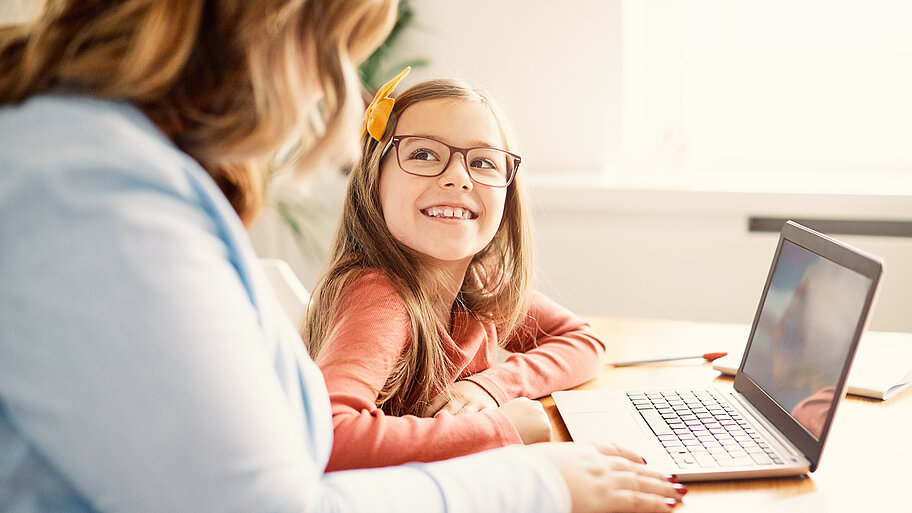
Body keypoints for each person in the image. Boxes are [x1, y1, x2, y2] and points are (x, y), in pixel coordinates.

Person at [0, 1, 685, 512]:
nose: (334, 95)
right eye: (330, 46)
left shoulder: (114, 173)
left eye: (483, 163)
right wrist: (536, 477)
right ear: (254, 28)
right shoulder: (91, 191)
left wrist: (488, 390)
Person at [304, 73, 609, 471]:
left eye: (482, 162)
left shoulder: (476, 283)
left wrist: (492, 385)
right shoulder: (379, 295)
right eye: (424, 154)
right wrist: (499, 429)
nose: (457, 178)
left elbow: (582, 341)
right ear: (373, 180)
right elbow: (329, 437)